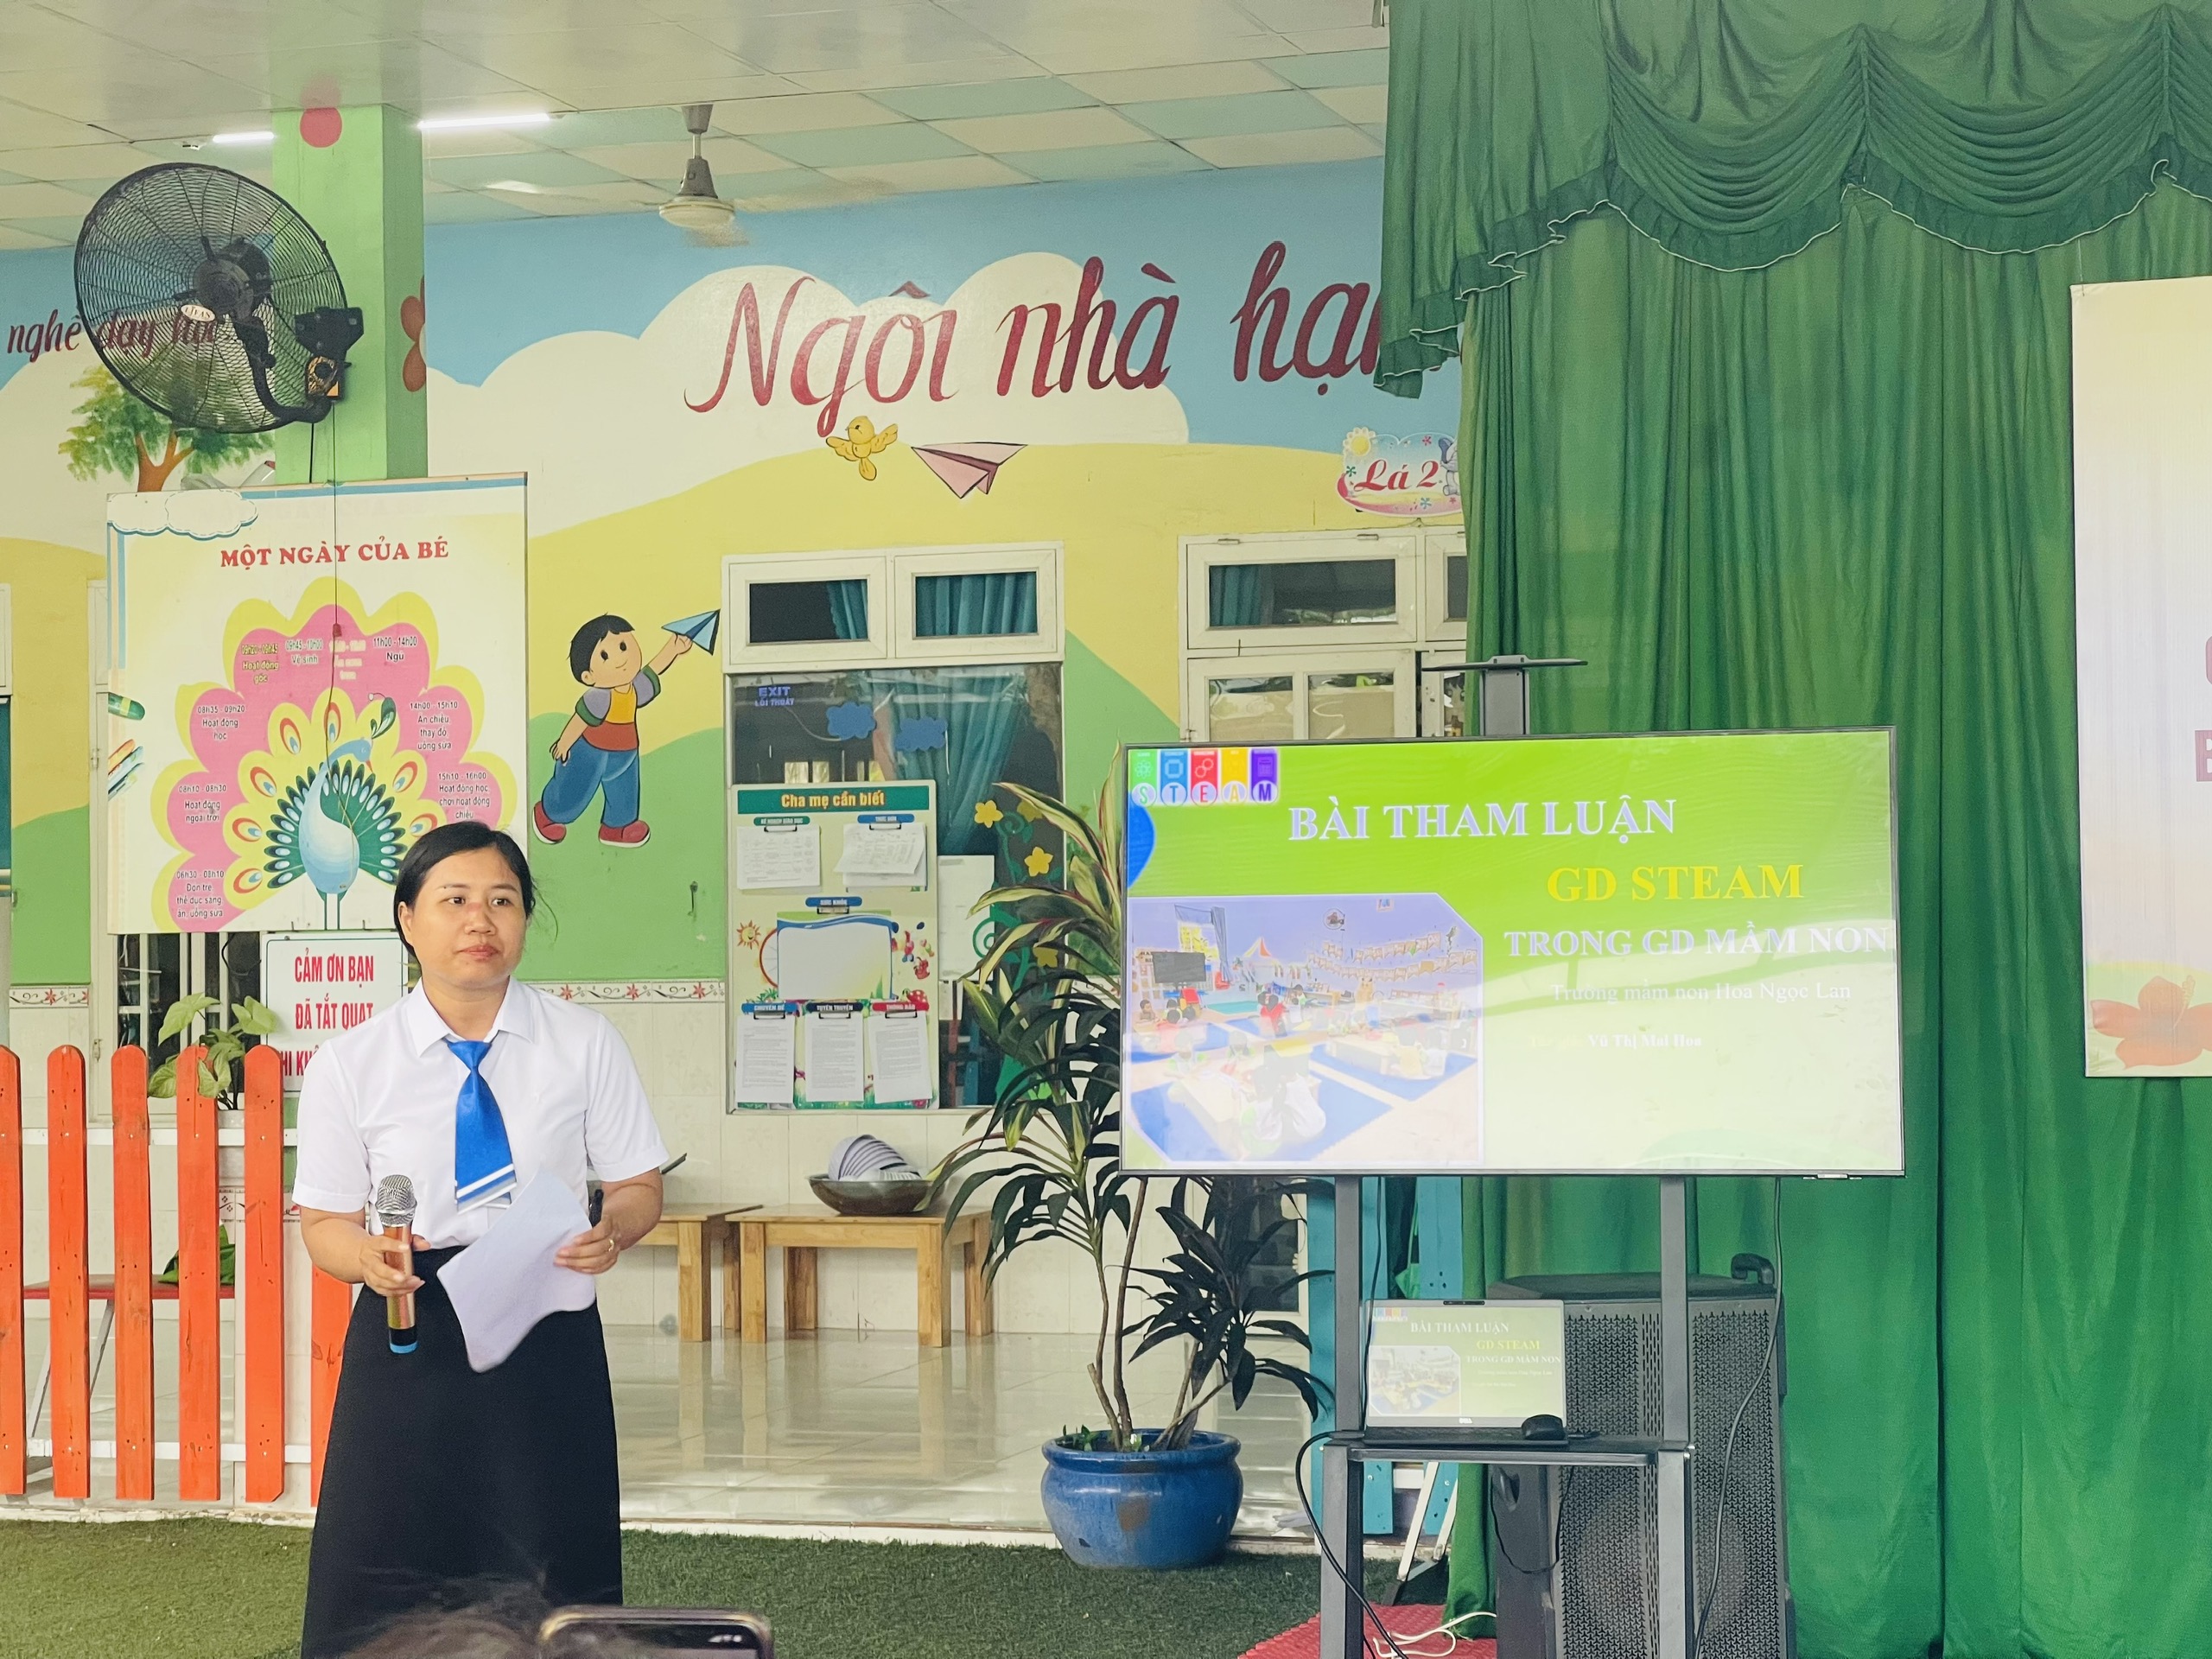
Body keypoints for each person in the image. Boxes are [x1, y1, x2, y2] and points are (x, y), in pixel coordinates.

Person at [293, 821, 669, 1659]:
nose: (480, 921)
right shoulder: (351, 1063)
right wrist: (367, 1259)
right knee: (389, 1549)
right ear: (407, 919)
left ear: (525, 918)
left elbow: (639, 1185)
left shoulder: (583, 1043)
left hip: (545, 1322)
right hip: (410, 1325)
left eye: (502, 901)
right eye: (454, 899)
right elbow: (323, 1225)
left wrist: (613, 1228)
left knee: (550, 1545)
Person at [533, 614, 695, 848]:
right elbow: (580, 720)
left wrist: (674, 648)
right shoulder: (599, 697)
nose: (621, 658)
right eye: (605, 656)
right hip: (590, 753)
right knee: (573, 793)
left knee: (624, 790)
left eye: (623, 646)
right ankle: (548, 813)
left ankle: (616, 828)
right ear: (588, 676)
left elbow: (653, 669)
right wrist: (565, 742)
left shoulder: (634, 688)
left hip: (625, 752)